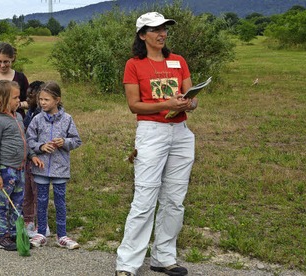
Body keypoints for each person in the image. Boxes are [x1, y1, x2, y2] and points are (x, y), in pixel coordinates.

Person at [115, 12, 198, 276]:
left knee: (175, 199)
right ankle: (127, 264)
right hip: (151, 133)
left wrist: (190, 102)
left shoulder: (178, 61)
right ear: (142, 35)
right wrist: (166, 104)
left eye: (164, 29)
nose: (161, 34)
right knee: (145, 199)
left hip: (181, 133)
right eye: (155, 30)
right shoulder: (134, 64)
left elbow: (192, 98)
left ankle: (163, 257)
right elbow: (133, 105)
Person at [26, 81, 82, 250]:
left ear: (57, 100)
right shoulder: (36, 119)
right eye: (40, 99)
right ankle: (41, 233)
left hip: (60, 169)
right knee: (41, 201)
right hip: (41, 168)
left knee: (60, 202)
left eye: (46, 99)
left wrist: (64, 142)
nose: (42, 103)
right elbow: (29, 141)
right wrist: (40, 147)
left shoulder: (67, 119)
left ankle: (62, 235)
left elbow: (77, 141)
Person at [0, 80, 43, 251]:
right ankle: (1, 236)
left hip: (20, 168)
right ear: (3, 99)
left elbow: (24, 140)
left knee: (17, 203)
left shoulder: (18, 116)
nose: (18, 101)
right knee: (3, 204)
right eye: (15, 97)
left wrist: (32, 155)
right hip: (6, 170)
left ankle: (14, 232)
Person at [21, 80, 44, 237]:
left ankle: (41, 223)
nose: (27, 100)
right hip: (27, 158)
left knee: (38, 191)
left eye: (30, 97)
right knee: (26, 190)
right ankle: (28, 220)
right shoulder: (29, 113)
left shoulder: (41, 116)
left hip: (39, 159)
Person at [0, 42, 29, 118]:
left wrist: (17, 104)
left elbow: (30, 103)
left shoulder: (20, 78)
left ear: (12, 58)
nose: (2, 65)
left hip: (16, 121)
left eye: (6, 62)